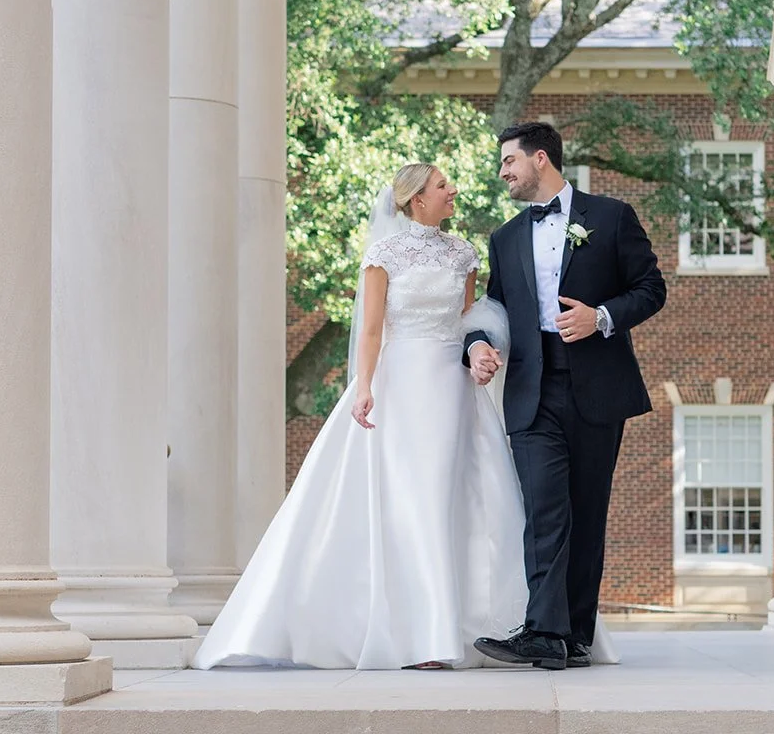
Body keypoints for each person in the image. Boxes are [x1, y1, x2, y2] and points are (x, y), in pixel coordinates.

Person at [194, 163, 532, 670]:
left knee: (452, 498)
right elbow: (372, 329)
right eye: (443, 186)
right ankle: (420, 638)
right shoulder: (384, 254)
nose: (452, 191)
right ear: (417, 198)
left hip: (452, 388)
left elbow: (467, 322)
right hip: (400, 385)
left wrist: (479, 351)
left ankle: (459, 628)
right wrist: (366, 386)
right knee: (408, 503)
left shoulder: (464, 253)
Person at [464, 122, 666, 671]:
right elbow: (495, 308)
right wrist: (478, 343)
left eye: (509, 161)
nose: (503, 172)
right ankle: (544, 632)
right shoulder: (504, 237)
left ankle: (574, 636)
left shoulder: (611, 216)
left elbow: (651, 289)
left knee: (587, 509)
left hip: (598, 386)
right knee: (545, 509)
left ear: (541, 159)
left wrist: (600, 317)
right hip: (531, 388)